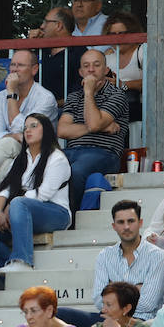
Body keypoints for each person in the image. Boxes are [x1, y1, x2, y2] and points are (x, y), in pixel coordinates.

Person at [0, 114, 71, 273]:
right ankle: (8, 266)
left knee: (18, 203)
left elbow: (44, 194)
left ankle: (22, 260)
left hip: (57, 213)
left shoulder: (57, 158)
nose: (28, 130)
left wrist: (12, 206)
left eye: (34, 126)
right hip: (23, 212)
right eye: (25, 128)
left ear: (47, 130)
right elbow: (5, 188)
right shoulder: (21, 159)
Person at [57, 49, 130, 212]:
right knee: (45, 163)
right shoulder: (74, 97)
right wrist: (99, 127)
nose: (91, 70)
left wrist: (89, 93)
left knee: (76, 171)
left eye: (96, 65)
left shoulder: (117, 95)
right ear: (80, 72)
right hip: (72, 151)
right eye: (86, 66)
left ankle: (71, 218)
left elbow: (95, 123)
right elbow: (62, 130)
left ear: (106, 70)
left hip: (103, 153)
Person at [0, 50, 61, 187]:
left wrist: (11, 94)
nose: (14, 69)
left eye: (20, 65)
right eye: (12, 65)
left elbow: (23, 128)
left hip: (38, 153)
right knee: (5, 165)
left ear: (34, 69)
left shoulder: (45, 98)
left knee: (7, 144)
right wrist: (15, 136)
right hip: (9, 154)